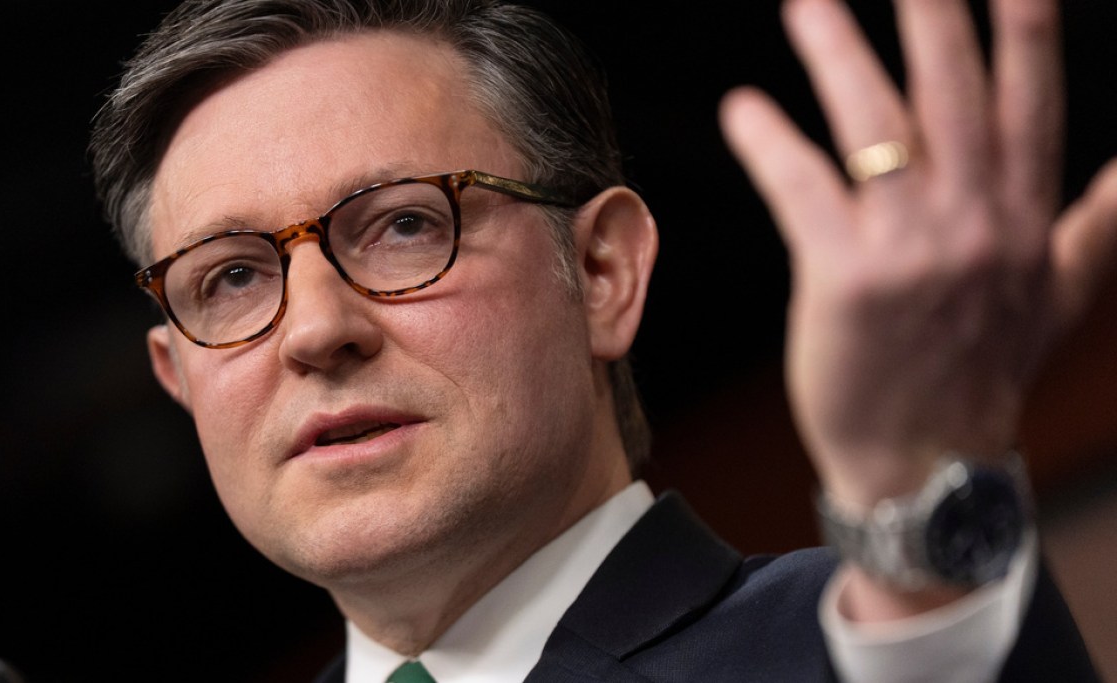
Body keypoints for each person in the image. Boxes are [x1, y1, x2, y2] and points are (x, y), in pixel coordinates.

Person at [89, 0, 1114, 680]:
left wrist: (915, 487)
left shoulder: (862, 643)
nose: (317, 329)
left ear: (602, 271)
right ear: (179, 378)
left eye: (403, 225)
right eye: (229, 277)